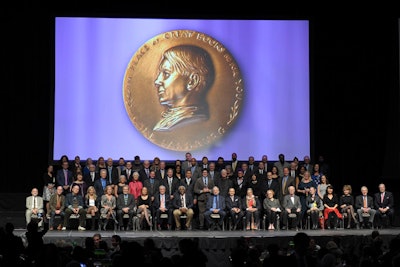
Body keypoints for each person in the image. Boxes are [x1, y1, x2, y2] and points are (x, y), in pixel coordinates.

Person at [152, 44, 215, 131]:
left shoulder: (192, 121)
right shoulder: (168, 122)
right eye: (160, 74)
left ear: (192, 81)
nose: (157, 81)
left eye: (166, 74)